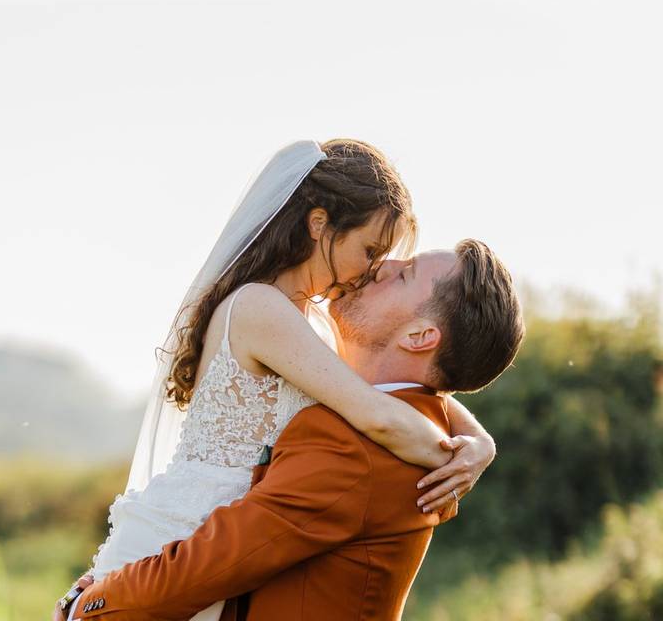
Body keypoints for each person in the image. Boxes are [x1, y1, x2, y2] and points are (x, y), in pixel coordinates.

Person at [55, 140, 496, 621]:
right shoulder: (262, 308)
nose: (373, 271)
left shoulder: (319, 327)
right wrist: (448, 456)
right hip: (181, 536)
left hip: (222, 550)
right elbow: (377, 412)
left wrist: (479, 440)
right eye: (369, 250)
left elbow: (392, 390)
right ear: (319, 225)